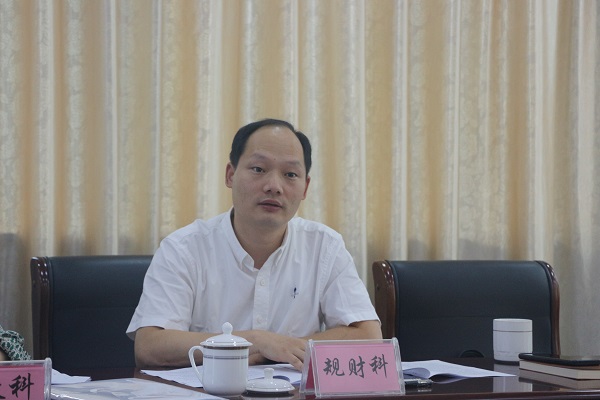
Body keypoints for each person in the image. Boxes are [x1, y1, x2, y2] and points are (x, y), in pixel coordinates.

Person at [127, 118, 382, 371]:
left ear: (305, 188)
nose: (274, 187)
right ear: (230, 175)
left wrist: (283, 348)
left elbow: (369, 336)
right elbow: (150, 345)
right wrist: (254, 342)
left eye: (290, 174)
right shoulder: (183, 248)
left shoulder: (325, 247)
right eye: (259, 169)